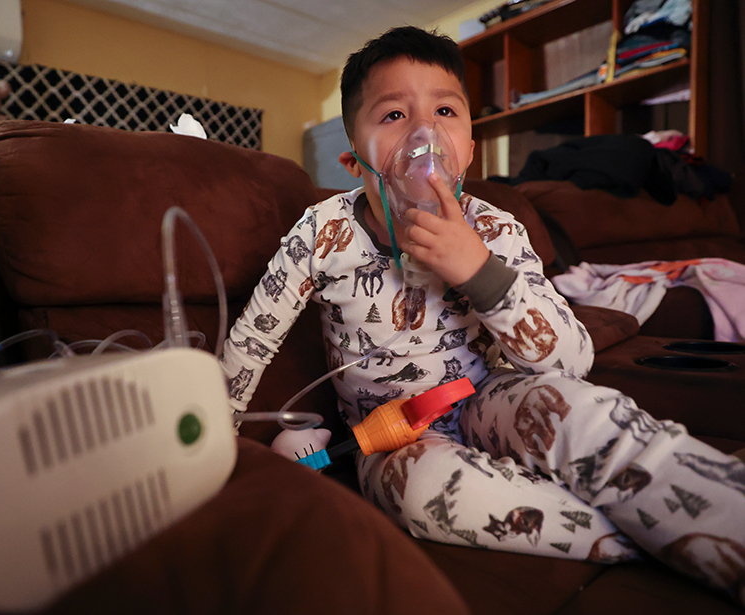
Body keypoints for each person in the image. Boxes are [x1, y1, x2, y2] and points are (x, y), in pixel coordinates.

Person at [220, 26, 745, 605]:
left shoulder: (493, 228)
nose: (425, 135)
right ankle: (659, 532)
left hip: (491, 398)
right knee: (420, 494)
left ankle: (726, 514)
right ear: (353, 160)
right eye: (394, 115)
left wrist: (479, 270)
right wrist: (214, 446)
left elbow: (572, 362)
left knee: (580, 411)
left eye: (445, 110)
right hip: (392, 437)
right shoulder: (322, 233)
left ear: (469, 147)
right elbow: (251, 342)